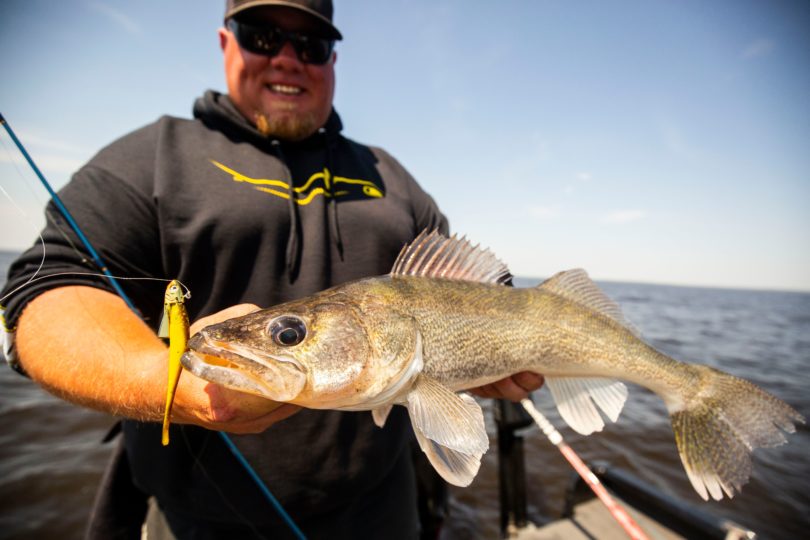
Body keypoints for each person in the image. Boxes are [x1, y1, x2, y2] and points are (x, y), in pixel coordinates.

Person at [1, 1, 544, 538]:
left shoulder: (391, 176)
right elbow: (40, 294)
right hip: (201, 520)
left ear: (333, 60)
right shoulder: (151, 157)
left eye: (310, 44)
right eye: (261, 35)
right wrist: (170, 388)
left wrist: (485, 356)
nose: (287, 58)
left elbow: (471, 292)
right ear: (224, 42)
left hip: (383, 508)